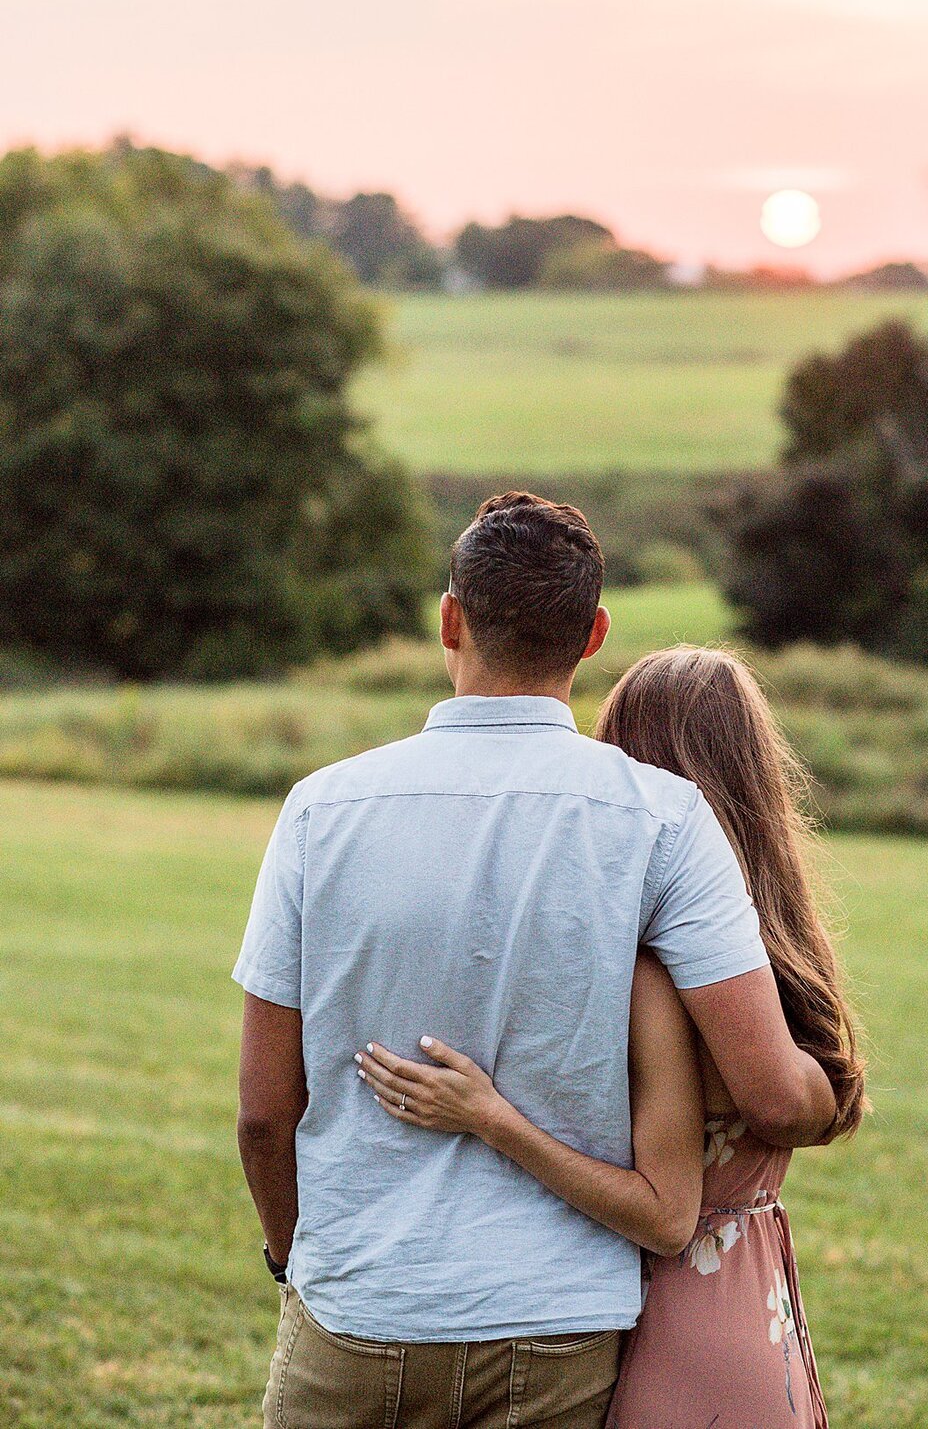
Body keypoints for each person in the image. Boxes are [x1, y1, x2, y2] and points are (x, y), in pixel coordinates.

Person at [234, 494, 835, 1429]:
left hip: (356, 1312)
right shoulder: (667, 822)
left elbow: (266, 1114)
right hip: (557, 1330)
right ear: (595, 635)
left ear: (449, 618)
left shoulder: (319, 812)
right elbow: (771, 1082)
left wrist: (291, 1255)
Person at [359, 646, 865, 1429]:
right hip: (735, 1304)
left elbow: (768, 1109)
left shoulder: (643, 959)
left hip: (662, 1310)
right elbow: (792, 1103)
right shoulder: (766, 956)